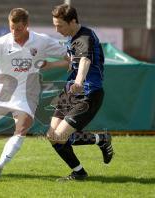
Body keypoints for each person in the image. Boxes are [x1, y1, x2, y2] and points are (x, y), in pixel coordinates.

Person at [0, 7, 67, 180]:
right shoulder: (2, 42)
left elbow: (69, 57)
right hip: (3, 93)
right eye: (11, 28)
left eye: (19, 29)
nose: (14, 32)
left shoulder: (42, 41)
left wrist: (51, 65)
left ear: (27, 25)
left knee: (21, 129)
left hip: (27, 94)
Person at [44, 4, 114, 181]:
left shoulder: (84, 37)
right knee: (52, 135)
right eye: (55, 25)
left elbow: (84, 61)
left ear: (73, 21)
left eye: (59, 25)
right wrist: (50, 65)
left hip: (88, 93)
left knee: (60, 136)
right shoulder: (72, 37)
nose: (57, 29)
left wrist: (78, 81)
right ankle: (79, 172)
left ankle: (101, 139)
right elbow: (72, 61)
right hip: (70, 92)